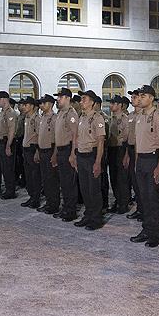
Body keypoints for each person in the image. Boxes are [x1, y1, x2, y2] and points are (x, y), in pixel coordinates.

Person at [128, 85, 159, 247]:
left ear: (151, 98)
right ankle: (146, 229)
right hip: (142, 160)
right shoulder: (140, 117)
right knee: (143, 198)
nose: (140, 98)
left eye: (143, 96)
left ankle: (154, 234)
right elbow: (138, 141)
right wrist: (136, 161)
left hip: (153, 159)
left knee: (153, 198)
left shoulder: (158, 116)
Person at [71, 90, 106, 230]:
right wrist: (74, 154)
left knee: (94, 190)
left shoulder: (98, 118)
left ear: (92, 102)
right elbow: (77, 137)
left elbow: (101, 141)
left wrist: (98, 162)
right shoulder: (81, 117)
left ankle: (96, 219)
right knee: (85, 189)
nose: (81, 101)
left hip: (92, 156)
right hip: (81, 155)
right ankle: (88, 215)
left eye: (84, 99)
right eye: (81, 99)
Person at [53, 88, 80, 221]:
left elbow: (75, 135)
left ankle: (71, 211)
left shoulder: (71, 113)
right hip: (61, 150)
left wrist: (73, 154)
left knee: (69, 182)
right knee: (63, 183)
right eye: (58, 97)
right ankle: (65, 208)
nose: (58, 99)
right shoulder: (60, 113)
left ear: (68, 98)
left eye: (61, 97)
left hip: (68, 150)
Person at [36, 94, 59, 213]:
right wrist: (37, 151)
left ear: (50, 104)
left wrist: (55, 155)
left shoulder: (55, 118)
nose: (41, 105)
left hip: (51, 151)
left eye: (43, 103)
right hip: (42, 150)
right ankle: (49, 202)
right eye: (40, 103)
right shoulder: (42, 118)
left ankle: (54, 205)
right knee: (45, 179)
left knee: (52, 179)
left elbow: (57, 139)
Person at [107, 96, 130, 214]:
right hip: (112, 150)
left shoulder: (125, 119)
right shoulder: (112, 119)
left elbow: (127, 139)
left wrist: (126, 154)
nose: (110, 105)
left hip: (121, 149)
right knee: (114, 177)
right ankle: (118, 200)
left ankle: (124, 203)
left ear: (120, 105)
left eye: (113, 103)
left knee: (122, 178)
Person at [0, 91, 18, 199]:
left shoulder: (10, 113)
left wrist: (8, 145)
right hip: (1, 142)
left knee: (8, 168)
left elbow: (11, 130)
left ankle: (10, 191)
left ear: (4, 99)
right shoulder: (2, 113)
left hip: (6, 143)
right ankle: (7, 189)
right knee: (4, 168)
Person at [20, 97, 42, 209]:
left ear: (32, 106)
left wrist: (37, 151)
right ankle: (31, 196)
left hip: (33, 149)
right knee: (28, 175)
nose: (24, 107)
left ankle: (36, 199)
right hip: (26, 149)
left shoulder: (37, 118)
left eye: (26, 105)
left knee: (35, 175)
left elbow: (39, 135)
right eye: (24, 105)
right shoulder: (27, 118)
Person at [125, 92, 142, 220]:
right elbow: (129, 136)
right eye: (132, 97)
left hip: (140, 151)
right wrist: (127, 154)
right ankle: (139, 208)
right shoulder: (130, 115)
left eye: (135, 97)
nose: (133, 99)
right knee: (135, 183)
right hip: (130, 149)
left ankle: (144, 210)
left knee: (141, 183)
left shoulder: (142, 116)